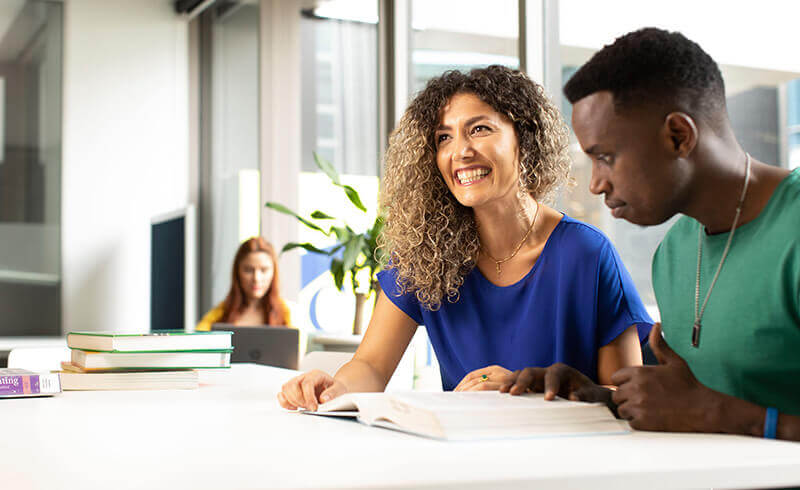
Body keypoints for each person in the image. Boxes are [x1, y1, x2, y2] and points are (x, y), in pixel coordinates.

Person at [278, 65, 652, 411]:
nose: (460, 151)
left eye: (479, 129)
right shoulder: (426, 255)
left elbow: (625, 396)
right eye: (444, 137)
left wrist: (530, 392)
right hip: (464, 456)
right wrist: (331, 390)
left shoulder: (586, 253)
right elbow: (371, 365)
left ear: (525, 138)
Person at [501, 28, 800, 441]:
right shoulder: (675, 252)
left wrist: (722, 415)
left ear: (679, 135)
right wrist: (601, 398)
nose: (596, 184)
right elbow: (689, 410)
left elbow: (711, 411)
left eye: (605, 157)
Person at [196, 237, 291, 330]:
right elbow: (197, 341)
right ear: (237, 272)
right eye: (248, 270)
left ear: (274, 272)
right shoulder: (218, 315)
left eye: (264, 270)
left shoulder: (288, 314)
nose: (256, 278)